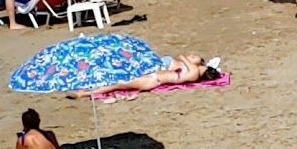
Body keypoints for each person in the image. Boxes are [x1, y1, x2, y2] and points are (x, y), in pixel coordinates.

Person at [69, 55, 222, 97]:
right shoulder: (194, 73)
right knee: (117, 82)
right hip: (153, 78)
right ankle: (86, 90)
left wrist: (190, 61)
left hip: (152, 79)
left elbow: (182, 56)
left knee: (117, 83)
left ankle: (85, 92)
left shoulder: (194, 72)